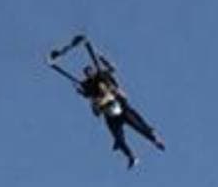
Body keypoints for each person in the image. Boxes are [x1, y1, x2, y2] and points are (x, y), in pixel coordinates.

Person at [49, 36, 165, 169]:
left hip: (120, 107)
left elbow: (111, 69)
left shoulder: (102, 75)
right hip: (110, 115)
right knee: (119, 139)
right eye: (87, 73)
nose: (89, 74)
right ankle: (131, 157)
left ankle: (155, 140)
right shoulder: (89, 88)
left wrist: (102, 59)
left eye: (90, 71)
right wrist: (86, 96)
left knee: (138, 125)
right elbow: (94, 108)